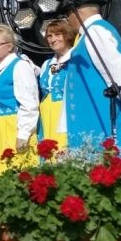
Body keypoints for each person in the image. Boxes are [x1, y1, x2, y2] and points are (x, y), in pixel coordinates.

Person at [62, 0, 121, 152]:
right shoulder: (89, 33)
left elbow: (115, 67)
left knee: (110, 156)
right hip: (91, 111)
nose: (68, 20)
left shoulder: (96, 31)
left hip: (103, 112)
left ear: (77, 13)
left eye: (68, 15)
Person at [0, 24, 39, 177]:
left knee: (13, 172)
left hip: (10, 126)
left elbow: (29, 103)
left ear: (10, 46)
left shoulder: (19, 66)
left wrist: (23, 134)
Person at [38, 19, 78, 149]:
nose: (53, 39)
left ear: (67, 35)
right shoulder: (46, 64)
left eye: (57, 34)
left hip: (67, 112)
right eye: (49, 36)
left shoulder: (75, 60)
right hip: (46, 114)